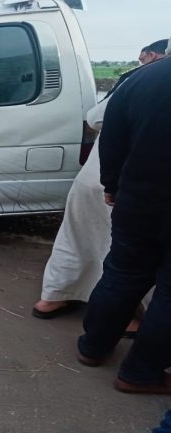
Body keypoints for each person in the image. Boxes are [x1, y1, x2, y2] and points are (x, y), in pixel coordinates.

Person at [32, 39, 168, 320]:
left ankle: (52, 298)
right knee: (123, 257)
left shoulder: (135, 80)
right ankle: (128, 318)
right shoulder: (153, 82)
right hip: (130, 188)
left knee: (75, 240)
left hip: (96, 178)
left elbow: (94, 118)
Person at [76, 48, 171, 394]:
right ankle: (141, 372)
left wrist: (112, 185)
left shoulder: (140, 79)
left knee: (122, 272)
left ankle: (92, 347)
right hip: (140, 198)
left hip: (138, 201)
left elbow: (112, 140)